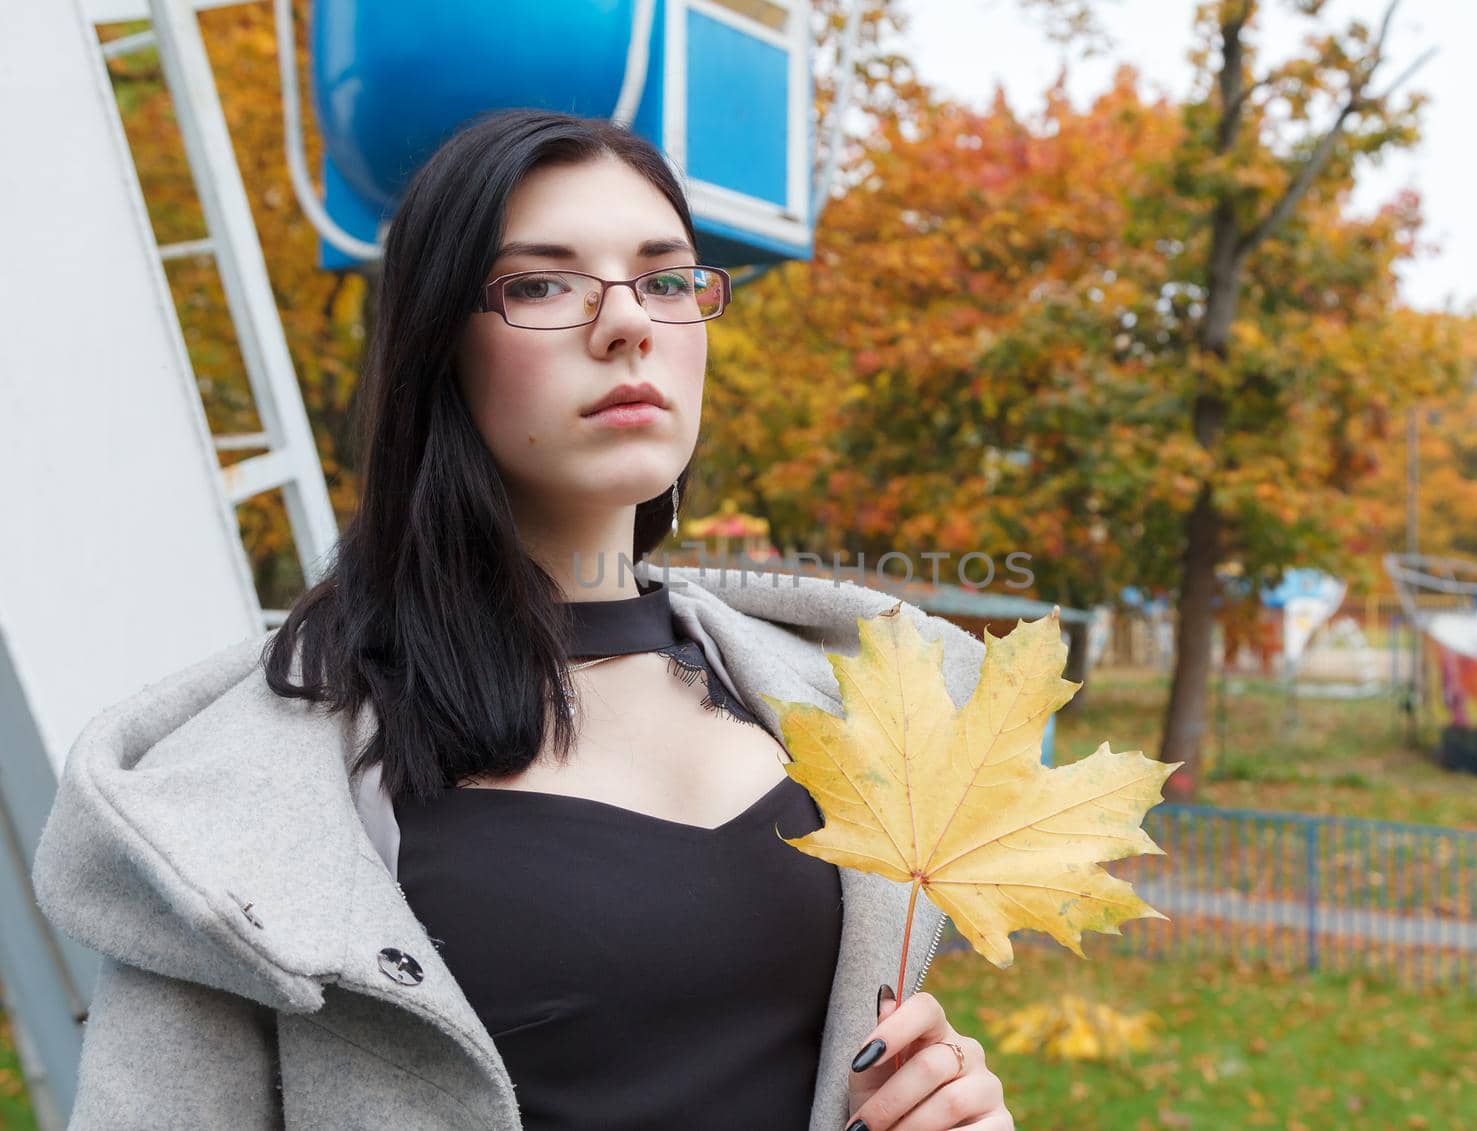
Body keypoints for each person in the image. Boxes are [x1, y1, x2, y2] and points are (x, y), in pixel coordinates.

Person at [30, 109, 1014, 1130]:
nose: (628, 323)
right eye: (542, 284)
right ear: (434, 346)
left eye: (665, 277)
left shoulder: (840, 704)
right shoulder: (251, 795)